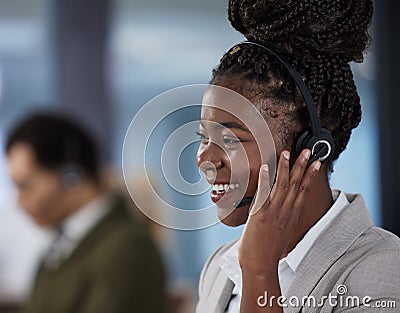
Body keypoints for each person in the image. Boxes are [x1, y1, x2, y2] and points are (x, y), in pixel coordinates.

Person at [196, 0, 400, 312]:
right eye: (203, 137)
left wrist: (260, 273)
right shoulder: (218, 269)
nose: (206, 158)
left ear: (311, 147)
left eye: (230, 139)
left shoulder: (383, 270)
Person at [5, 112, 166, 313]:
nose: (19, 201)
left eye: (25, 186)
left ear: (71, 176)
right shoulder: (62, 247)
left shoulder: (127, 246)